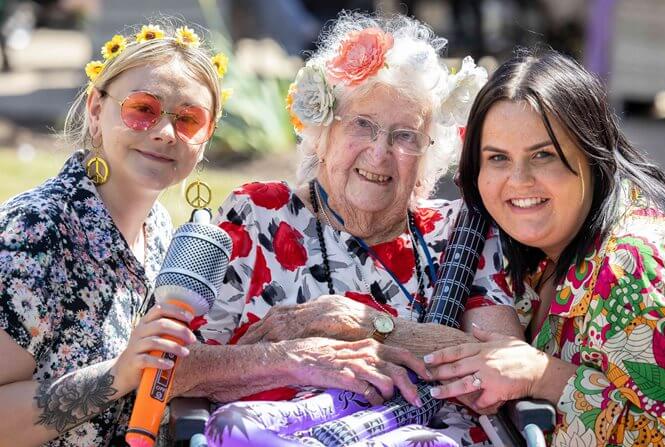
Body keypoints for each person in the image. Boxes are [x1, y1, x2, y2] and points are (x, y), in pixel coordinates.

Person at [171, 11, 522, 444]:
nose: (379, 153)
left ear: (430, 151)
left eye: (405, 136)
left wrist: (363, 323)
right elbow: (172, 367)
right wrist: (292, 359)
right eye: (362, 124)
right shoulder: (258, 213)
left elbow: (502, 366)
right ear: (325, 130)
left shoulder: (457, 232)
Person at [425, 50, 665, 446]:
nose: (518, 181)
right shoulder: (540, 251)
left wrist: (543, 376)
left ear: (592, 154)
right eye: (498, 158)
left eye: (543, 155)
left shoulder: (638, 261)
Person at [0, 21, 229, 446]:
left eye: (188, 119)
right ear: (95, 110)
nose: (164, 133)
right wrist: (118, 374)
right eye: (142, 109)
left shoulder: (160, 228)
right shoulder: (35, 231)